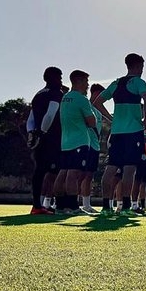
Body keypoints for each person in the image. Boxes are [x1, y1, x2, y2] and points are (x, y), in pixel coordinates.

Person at [93, 53, 146, 214]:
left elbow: (97, 102)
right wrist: (144, 123)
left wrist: (111, 119)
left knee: (111, 167)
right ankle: (125, 207)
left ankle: (106, 207)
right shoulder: (139, 82)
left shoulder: (116, 83)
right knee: (129, 169)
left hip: (117, 132)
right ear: (138, 66)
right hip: (133, 132)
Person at [52, 71, 101, 215]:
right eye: (86, 81)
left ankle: (60, 206)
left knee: (63, 172)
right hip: (79, 141)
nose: (87, 85)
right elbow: (92, 122)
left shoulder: (65, 98)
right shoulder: (81, 99)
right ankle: (73, 206)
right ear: (79, 81)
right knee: (73, 173)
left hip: (65, 141)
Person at [27, 66, 65, 214]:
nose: (61, 80)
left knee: (40, 171)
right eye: (59, 77)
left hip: (39, 137)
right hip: (52, 138)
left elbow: (31, 119)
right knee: (55, 171)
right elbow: (50, 113)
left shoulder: (38, 94)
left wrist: (32, 133)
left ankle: (38, 204)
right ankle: (53, 203)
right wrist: (43, 132)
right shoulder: (55, 93)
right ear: (52, 78)